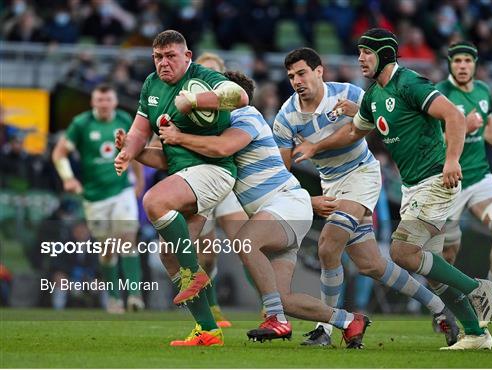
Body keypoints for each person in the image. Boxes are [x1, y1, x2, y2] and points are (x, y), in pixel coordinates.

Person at [122, 71, 372, 349]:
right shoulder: (217, 130)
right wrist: (134, 151)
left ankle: (275, 318)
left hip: (284, 204)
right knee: (284, 298)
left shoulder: (246, 116)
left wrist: (180, 137)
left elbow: (223, 147)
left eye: (215, 97)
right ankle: (349, 321)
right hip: (280, 211)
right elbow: (183, 163)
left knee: (245, 241)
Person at [295, 29, 492, 350]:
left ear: (384, 55)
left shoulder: (410, 84)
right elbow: (352, 132)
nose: (360, 58)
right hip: (413, 188)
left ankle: (476, 288)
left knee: (402, 252)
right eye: (359, 52)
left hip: (436, 179)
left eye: (367, 52)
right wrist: (314, 146)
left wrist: (452, 161)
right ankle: (475, 334)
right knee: (431, 271)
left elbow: (454, 117)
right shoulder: (374, 96)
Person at [273, 47, 458, 347]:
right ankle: (439, 308)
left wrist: (332, 136)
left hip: (362, 174)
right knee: (372, 264)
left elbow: (373, 127)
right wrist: (307, 199)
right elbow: (282, 172)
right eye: (291, 76)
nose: (296, 80)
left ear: (319, 71)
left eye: (302, 73)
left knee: (327, 246)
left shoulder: (348, 93)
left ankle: (327, 327)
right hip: (330, 184)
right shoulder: (285, 117)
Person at [114, 30, 248, 347]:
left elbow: (240, 96)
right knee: (168, 255)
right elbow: (138, 132)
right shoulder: (151, 84)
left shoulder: (204, 76)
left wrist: (193, 100)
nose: (163, 63)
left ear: (187, 56)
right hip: (183, 175)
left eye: (170, 56)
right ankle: (207, 329)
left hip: (214, 171)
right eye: (158, 57)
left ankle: (198, 275)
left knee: (154, 200)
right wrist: (127, 151)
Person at [436, 41, 492, 328]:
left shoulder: (483, 90)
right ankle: (447, 309)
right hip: (449, 182)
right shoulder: (441, 95)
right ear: (450, 65)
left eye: (466, 61)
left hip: (480, 176)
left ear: (474, 65)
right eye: (456, 61)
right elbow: (431, 141)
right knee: (447, 255)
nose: (461, 66)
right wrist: (463, 127)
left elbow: (488, 117)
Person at [52, 83, 145, 314]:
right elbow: (59, 153)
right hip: (94, 196)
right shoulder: (81, 124)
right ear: (93, 102)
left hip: (122, 188)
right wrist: (68, 178)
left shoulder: (124, 119)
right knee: (108, 249)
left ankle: (134, 295)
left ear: (114, 101)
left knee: (127, 238)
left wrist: (139, 182)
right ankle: (114, 298)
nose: (104, 104)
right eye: (99, 100)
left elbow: (133, 153)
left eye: (108, 100)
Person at [192, 52, 248, 328]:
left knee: (247, 242)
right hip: (196, 186)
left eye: (213, 71)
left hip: (225, 183)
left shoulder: (234, 108)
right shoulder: (186, 107)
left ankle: (271, 308)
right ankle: (211, 306)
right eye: (202, 71)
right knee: (207, 253)